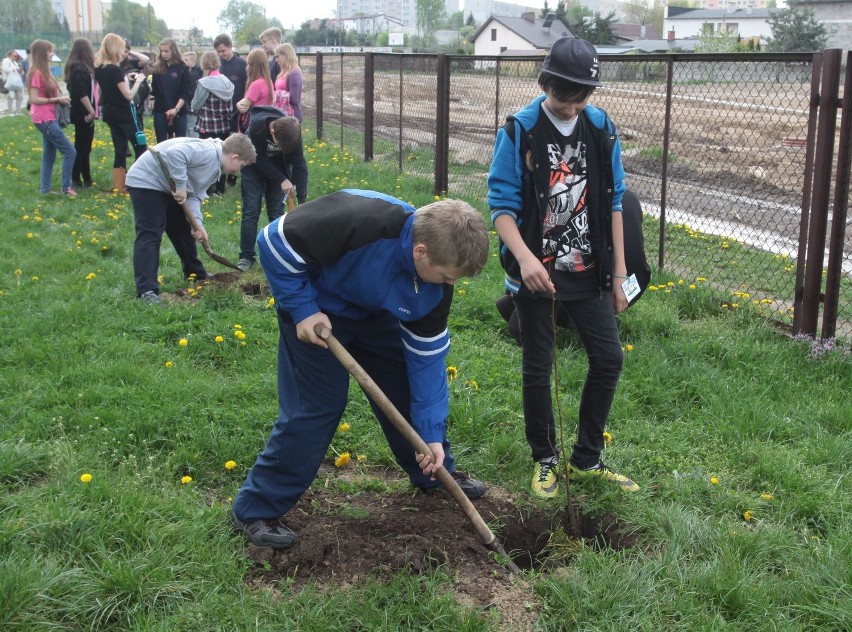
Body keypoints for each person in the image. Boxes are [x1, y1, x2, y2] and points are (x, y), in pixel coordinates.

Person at [229, 190, 490, 549]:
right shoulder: (359, 221)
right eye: (446, 277)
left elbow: (427, 363)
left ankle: (434, 473)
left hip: (378, 316)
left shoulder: (432, 291)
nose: (450, 287)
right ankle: (256, 508)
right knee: (318, 406)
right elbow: (273, 242)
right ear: (421, 252)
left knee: (403, 392)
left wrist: (430, 433)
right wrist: (302, 308)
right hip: (318, 314)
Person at [487, 36, 639, 498]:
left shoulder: (601, 128)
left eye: (582, 97)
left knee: (609, 358)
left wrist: (619, 276)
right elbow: (501, 206)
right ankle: (545, 459)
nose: (572, 107)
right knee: (539, 363)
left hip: (590, 270)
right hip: (537, 271)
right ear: (544, 83)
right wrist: (528, 260)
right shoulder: (521, 129)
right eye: (564, 96)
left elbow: (615, 201)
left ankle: (587, 459)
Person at [126, 134, 256, 305]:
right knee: (151, 233)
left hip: (168, 187)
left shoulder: (216, 167)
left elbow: (194, 196)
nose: (238, 171)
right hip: (147, 181)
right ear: (235, 157)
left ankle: (195, 274)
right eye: (241, 166)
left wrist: (198, 224)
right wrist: (180, 185)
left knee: (182, 231)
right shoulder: (208, 152)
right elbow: (176, 152)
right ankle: (146, 290)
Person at [236, 108, 308, 271]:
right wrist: (281, 179)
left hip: (279, 169)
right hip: (252, 165)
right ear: (272, 130)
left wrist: (302, 199)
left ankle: (280, 254)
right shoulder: (258, 126)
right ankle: (246, 257)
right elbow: (258, 159)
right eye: (279, 144)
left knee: (277, 213)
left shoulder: (293, 133)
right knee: (251, 210)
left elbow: (299, 164)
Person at [95, 33, 149, 193]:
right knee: (141, 147)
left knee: (120, 150)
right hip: (125, 115)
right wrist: (138, 81)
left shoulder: (100, 68)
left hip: (110, 113)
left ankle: (119, 185)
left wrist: (126, 78)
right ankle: (140, 181)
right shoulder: (115, 70)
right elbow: (128, 95)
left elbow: (113, 86)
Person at [26, 39, 77, 197]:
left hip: (48, 117)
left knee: (49, 154)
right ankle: (66, 188)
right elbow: (33, 99)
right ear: (42, 53)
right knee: (70, 151)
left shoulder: (45, 71)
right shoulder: (36, 73)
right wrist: (56, 100)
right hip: (44, 119)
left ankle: (45, 190)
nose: (53, 53)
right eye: (49, 51)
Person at [190, 51, 234, 196]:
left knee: (207, 157)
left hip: (208, 126)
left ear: (204, 64)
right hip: (225, 126)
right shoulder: (227, 82)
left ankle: (208, 189)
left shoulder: (204, 83)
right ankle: (220, 187)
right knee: (223, 155)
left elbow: (196, 105)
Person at [64, 38, 98, 189]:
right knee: (82, 146)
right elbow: (81, 92)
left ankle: (87, 178)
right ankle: (76, 178)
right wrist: (91, 110)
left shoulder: (77, 66)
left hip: (82, 110)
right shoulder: (80, 68)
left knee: (85, 146)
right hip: (83, 112)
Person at [151, 38, 191, 143]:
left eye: (166, 51)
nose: (163, 54)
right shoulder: (157, 69)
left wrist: (176, 109)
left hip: (179, 110)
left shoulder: (182, 68)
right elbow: (154, 90)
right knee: (161, 142)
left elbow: (186, 92)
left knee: (180, 142)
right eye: (161, 51)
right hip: (160, 110)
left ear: (173, 51)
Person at [213, 34, 247, 134]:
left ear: (230, 46)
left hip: (237, 111)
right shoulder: (217, 65)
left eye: (223, 51)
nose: (220, 54)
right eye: (218, 52)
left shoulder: (241, 64)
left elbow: (247, 85)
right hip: (220, 112)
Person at [235, 48, 273, 125]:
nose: (247, 68)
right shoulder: (268, 81)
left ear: (253, 66)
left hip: (255, 122)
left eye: (249, 64)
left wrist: (237, 104)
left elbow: (243, 108)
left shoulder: (256, 85)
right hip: (265, 120)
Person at [273, 43, 302, 122]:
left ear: (285, 55)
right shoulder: (282, 73)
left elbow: (294, 99)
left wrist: (277, 94)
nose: (276, 60)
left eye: (277, 56)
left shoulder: (294, 74)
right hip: (281, 115)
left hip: (291, 117)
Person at [2, 50, 24, 116]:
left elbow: (19, 72)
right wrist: (14, 70)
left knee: (19, 96)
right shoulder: (5, 61)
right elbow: (5, 69)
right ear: (9, 55)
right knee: (10, 96)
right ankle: (10, 112)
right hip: (9, 81)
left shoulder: (15, 63)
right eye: (14, 56)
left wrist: (20, 71)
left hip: (16, 81)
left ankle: (18, 111)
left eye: (16, 56)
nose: (16, 57)